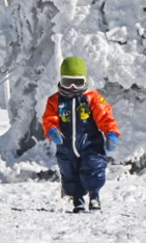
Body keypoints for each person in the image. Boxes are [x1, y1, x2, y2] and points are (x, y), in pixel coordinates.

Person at [41, 56, 120, 213]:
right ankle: (77, 200)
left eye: (77, 82)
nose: (72, 87)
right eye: (67, 82)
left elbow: (105, 116)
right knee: (69, 172)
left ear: (84, 80)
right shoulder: (55, 100)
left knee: (93, 168)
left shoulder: (92, 98)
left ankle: (94, 196)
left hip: (90, 143)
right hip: (66, 144)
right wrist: (52, 131)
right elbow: (49, 118)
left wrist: (111, 133)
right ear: (61, 80)